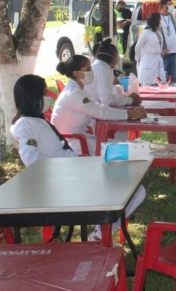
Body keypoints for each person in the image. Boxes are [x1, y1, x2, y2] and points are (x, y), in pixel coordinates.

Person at [11, 74, 146, 243]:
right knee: (136, 191)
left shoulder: (36, 120)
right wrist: (68, 171)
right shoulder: (25, 125)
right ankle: (100, 234)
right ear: (32, 97)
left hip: (75, 170)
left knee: (135, 186)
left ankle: (101, 232)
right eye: (44, 93)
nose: (47, 97)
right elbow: (32, 160)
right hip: (68, 180)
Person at [52, 55, 147, 155]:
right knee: (122, 152)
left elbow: (98, 107)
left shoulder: (79, 89)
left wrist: (129, 111)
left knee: (123, 147)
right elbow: (100, 112)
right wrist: (130, 114)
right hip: (71, 143)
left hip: (80, 138)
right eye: (88, 69)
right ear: (76, 73)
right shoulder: (73, 93)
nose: (91, 72)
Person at [87, 38, 142, 107]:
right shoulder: (103, 69)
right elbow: (107, 100)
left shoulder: (99, 66)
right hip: (93, 109)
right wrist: (129, 100)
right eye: (117, 56)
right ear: (114, 58)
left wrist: (127, 97)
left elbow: (113, 83)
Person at [135, 12, 166, 86]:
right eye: (160, 20)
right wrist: (138, 59)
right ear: (156, 21)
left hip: (158, 60)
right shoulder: (146, 32)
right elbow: (138, 47)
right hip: (148, 60)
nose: (161, 21)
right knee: (147, 85)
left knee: (161, 83)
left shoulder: (158, 32)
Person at [159, 0, 176, 85]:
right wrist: (162, 48)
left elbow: (175, 32)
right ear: (163, 5)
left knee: (173, 78)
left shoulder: (171, 16)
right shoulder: (159, 17)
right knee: (163, 77)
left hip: (173, 51)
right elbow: (158, 35)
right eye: (170, 4)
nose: (171, 6)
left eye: (172, 4)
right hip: (165, 52)